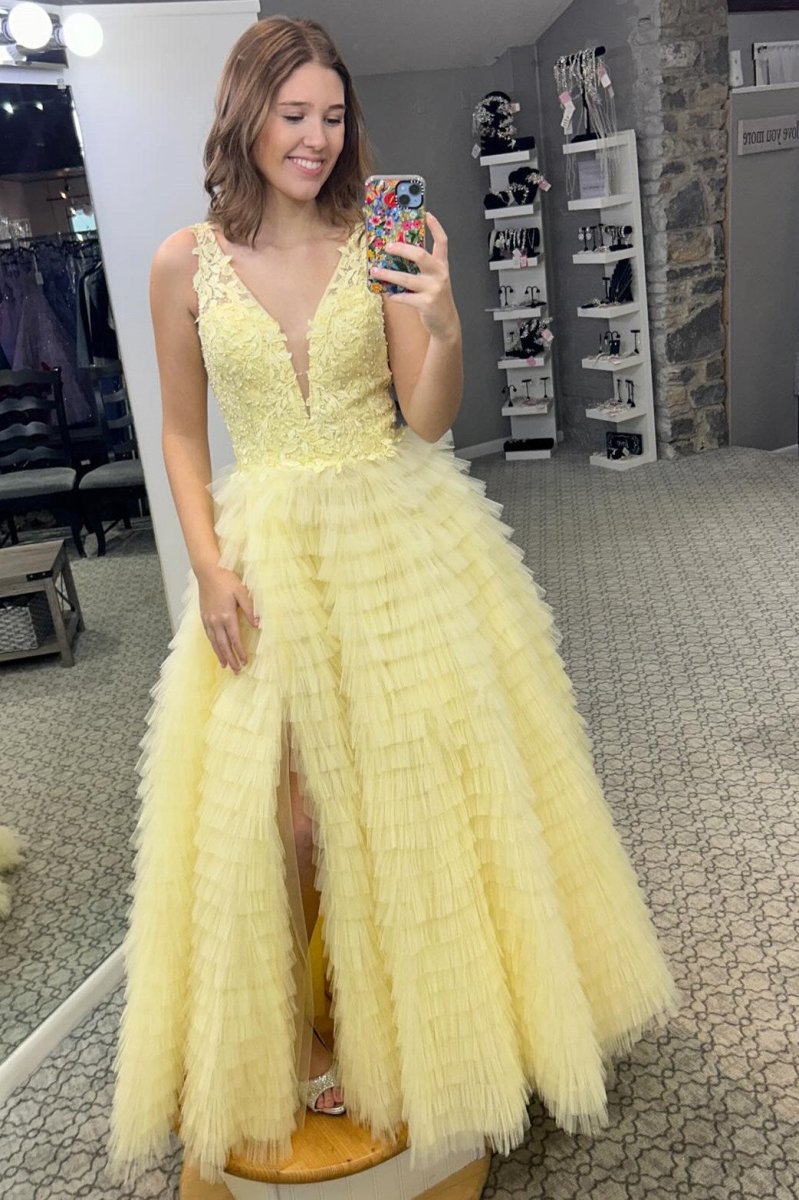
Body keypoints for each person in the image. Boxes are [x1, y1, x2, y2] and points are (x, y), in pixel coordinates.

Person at [107, 15, 681, 1188]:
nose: (315, 138)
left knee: (412, 794)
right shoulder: (184, 262)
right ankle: (300, 1035)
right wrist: (208, 566)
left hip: (397, 536)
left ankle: (428, 1028)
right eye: (293, 114)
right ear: (246, 115)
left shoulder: (382, 234)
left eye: (332, 116)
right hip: (268, 552)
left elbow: (425, 417)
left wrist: (444, 315)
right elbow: (179, 432)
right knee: (283, 818)